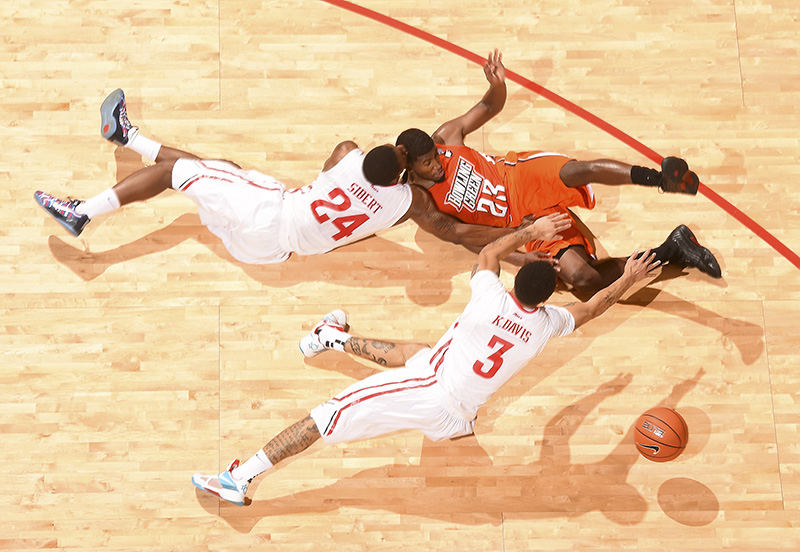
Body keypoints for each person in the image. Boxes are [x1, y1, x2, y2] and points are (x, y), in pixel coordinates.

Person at [191, 212, 661, 506]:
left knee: (325, 416)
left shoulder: (487, 296)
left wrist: (531, 232)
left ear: (513, 284)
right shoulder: (547, 325)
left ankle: (240, 478)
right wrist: (629, 278)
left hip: (430, 394)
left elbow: (490, 251)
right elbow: (595, 307)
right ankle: (330, 338)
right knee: (418, 353)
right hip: (458, 410)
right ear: (548, 296)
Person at [34, 89, 520, 265]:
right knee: (222, 170)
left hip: (270, 212)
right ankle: (126, 135)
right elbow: (445, 229)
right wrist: (515, 236)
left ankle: (81, 213)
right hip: (272, 252)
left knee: (171, 174)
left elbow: (342, 164)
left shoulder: (349, 157)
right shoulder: (403, 207)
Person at [396, 49, 721, 296]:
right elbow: (465, 237)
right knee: (584, 280)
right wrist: (519, 254)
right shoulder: (421, 202)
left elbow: (490, 106)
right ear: (411, 166)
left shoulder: (445, 138)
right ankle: (674, 248)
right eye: (428, 163)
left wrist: (498, 86)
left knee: (580, 170)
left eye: (436, 157)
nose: (437, 164)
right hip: (520, 223)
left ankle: (662, 178)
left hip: (517, 175)